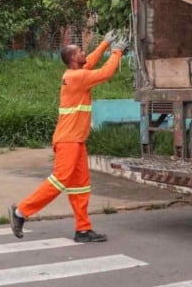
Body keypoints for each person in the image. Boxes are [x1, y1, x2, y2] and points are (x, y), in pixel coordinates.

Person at [9, 30, 129, 243]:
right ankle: (20, 212)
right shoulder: (77, 77)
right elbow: (105, 73)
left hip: (76, 140)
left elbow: (89, 62)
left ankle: (83, 230)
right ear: (73, 58)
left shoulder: (75, 74)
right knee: (60, 180)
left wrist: (105, 44)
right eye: (80, 51)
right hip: (68, 140)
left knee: (81, 186)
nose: (84, 53)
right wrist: (116, 51)